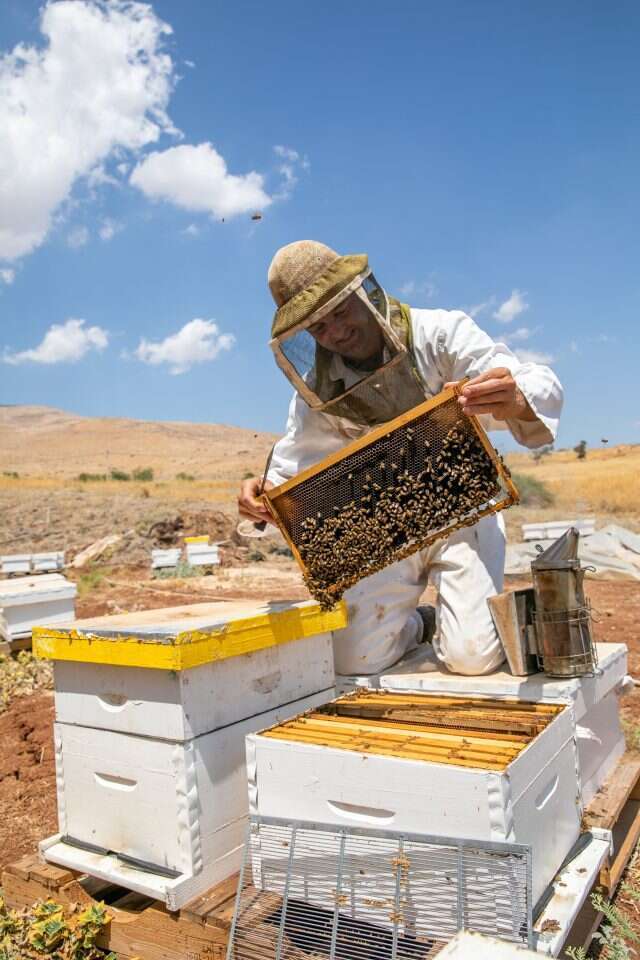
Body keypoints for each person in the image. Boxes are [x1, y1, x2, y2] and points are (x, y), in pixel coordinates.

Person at [239, 241, 563, 678]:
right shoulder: (318, 389)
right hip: (386, 529)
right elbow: (293, 464)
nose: (334, 332)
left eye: (338, 312)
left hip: (463, 513)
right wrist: (263, 500)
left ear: (362, 293)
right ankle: (421, 624)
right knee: (354, 659)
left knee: (472, 659)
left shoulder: (440, 333)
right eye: (317, 327)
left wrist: (516, 393)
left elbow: (523, 376)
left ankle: (486, 621)